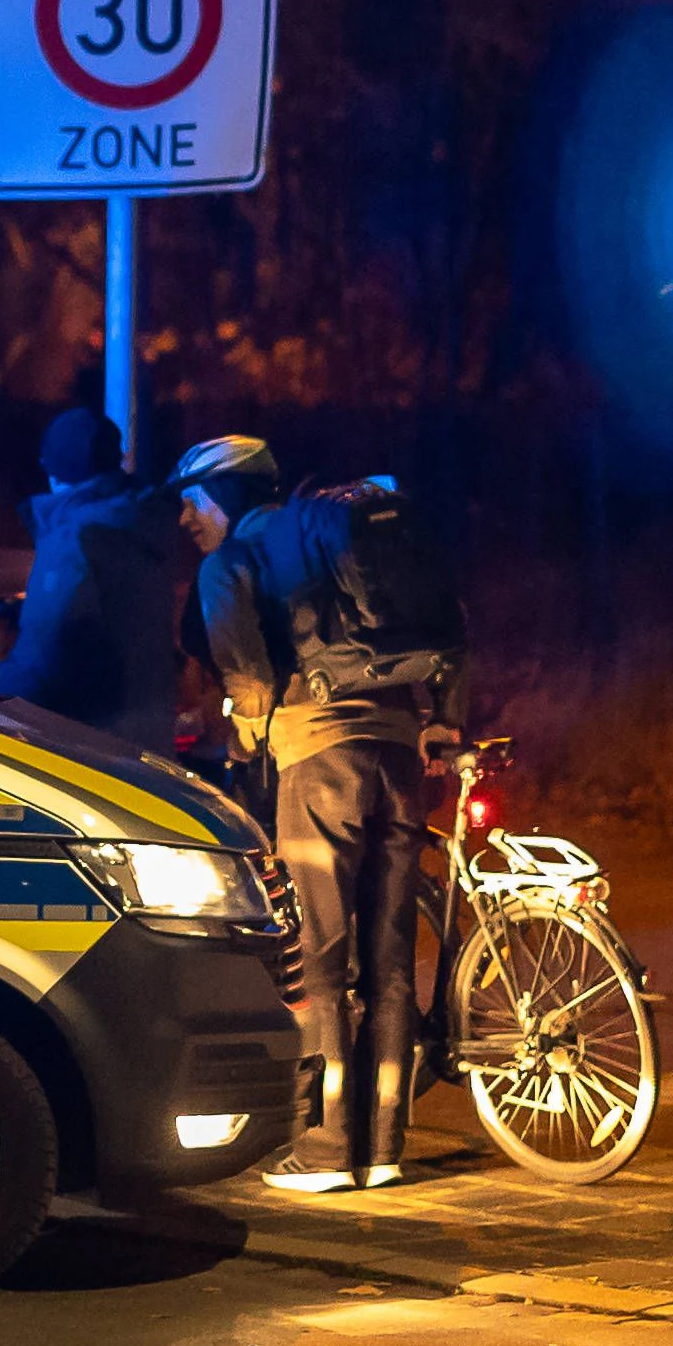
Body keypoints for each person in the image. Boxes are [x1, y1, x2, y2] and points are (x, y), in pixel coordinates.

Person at [172, 435, 456, 1194]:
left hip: (320, 764)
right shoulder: (332, 540)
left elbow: (251, 686)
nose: (185, 520)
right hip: (398, 755)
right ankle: (384, 1146)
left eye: (192, 503)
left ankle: (327, 1150)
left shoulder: (230, 564)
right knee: (390, 963)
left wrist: (240, 733)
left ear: (223, 496)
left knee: (321, 960)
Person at [0, 408, 181, 750]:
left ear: (53, 469)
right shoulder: (142, 526)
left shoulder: (75, 539)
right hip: (149, 739)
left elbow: (42, 653)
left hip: (88, 746)